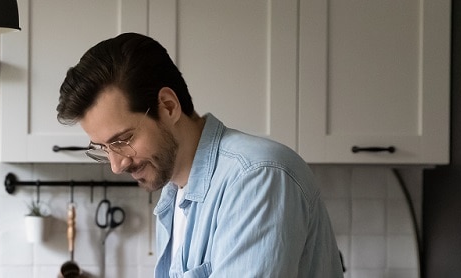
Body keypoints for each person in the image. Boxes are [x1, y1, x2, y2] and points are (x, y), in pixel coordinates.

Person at [56, 32, 344, 277]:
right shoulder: (175, 192)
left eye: (123, 140)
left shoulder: (257, 176)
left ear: (168, 106)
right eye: (104, 149)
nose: (117, 165)